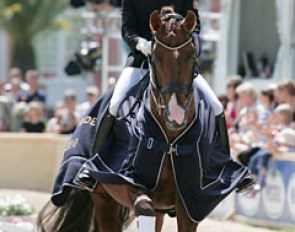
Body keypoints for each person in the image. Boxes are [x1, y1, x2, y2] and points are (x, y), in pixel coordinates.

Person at [77, 0, 253, 193]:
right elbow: (128, 30)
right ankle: (93, 166)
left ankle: (226, 166)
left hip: (178, 62)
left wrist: (191, 41)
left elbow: (196, 25)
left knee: (216, 106)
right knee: (115, 104)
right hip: (141, 60)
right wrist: (140, 44)